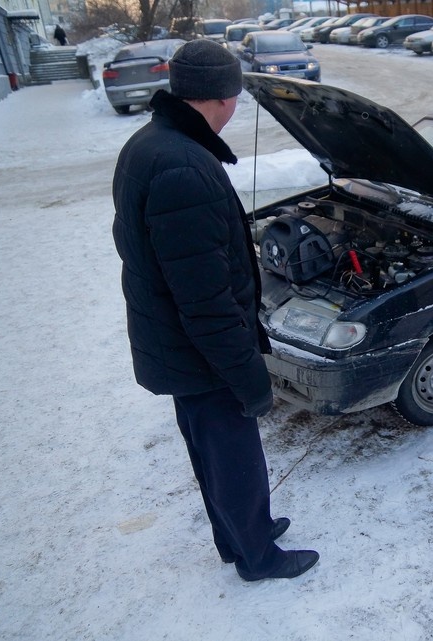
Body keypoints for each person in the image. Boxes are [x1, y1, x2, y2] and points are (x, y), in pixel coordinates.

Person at [111, 39, 319, 581]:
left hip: (179, 346)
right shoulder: (183, 168)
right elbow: (204, 302)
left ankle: (242, 533)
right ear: (223, 99)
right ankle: (256, 558)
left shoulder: (153, 145)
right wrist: (248, 378)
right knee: (233, 460)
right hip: (202, 355)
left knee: (215, 456)